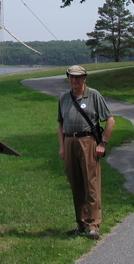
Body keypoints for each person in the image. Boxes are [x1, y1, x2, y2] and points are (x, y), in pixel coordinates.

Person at [57, 65, 115, 240]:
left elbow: (110, 120)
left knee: (91, 182)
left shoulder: (94, 95)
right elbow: (60, 124)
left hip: (88, 142)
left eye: (78, 77)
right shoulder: (64, 98)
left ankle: (93, 224)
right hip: (69, 142)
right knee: (76, 183)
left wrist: (102, 143)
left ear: (84, 78)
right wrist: (62, 146)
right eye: (71, 77)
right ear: (68, 78)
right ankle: (81, 222)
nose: (74, 80)